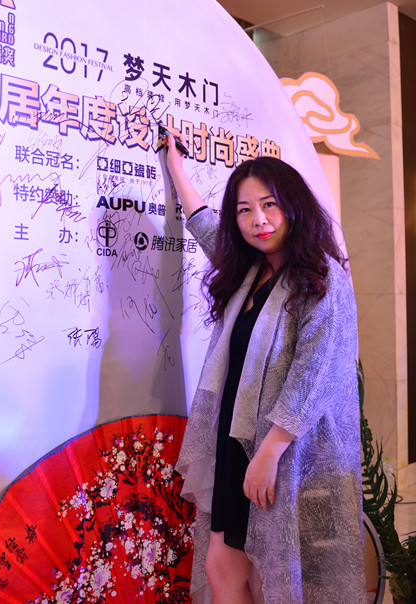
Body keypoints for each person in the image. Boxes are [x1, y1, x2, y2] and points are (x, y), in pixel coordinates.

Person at [161, 130, 365, 603]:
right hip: (237, 439)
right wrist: (176, 169)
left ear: (294, 206)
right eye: (245, 209)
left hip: (284, 452)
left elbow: (314, 373)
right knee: (222, 565)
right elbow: (205, 225)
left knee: (277, 574)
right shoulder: (248, 270)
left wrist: (271, 452)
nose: (259, 220)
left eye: (270, 205)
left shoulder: (321, 278)